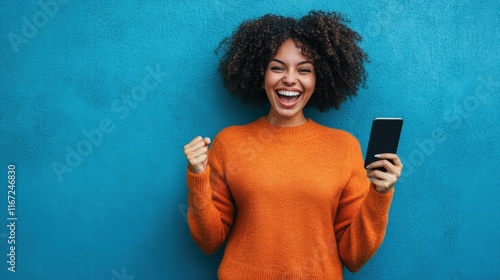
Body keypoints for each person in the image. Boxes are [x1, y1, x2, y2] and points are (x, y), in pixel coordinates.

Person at [183, 11, 403, 279]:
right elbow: (209, 242)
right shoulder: (230, 142)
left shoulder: (344, 147)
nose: (289, 79)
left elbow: (353, 257)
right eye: (277, 67)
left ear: (317, 79)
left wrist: (380, 194)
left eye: (304, 70)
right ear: (260, 76)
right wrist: (197, 176)